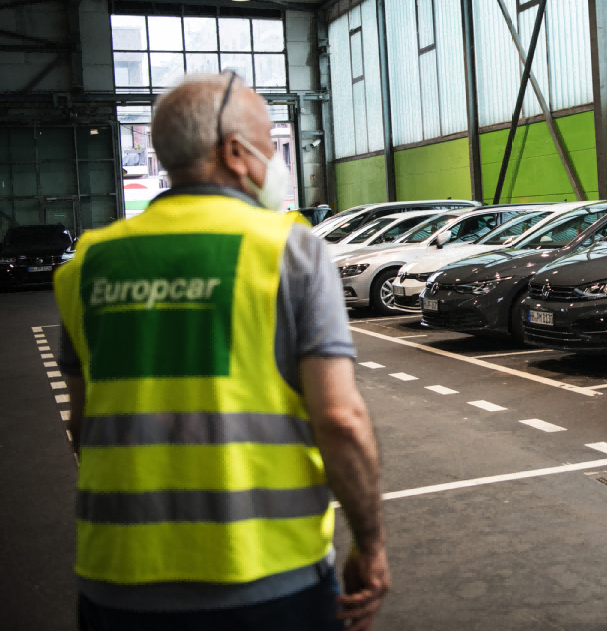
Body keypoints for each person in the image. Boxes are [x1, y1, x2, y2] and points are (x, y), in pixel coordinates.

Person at [54, 72, 390, 630]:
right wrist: (371, 544)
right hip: (265, 574)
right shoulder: (288, 252)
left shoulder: (88, 263)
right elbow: (339, 419)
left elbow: (83, 423)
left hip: (116, 577)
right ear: (235, 152)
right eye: (269, 142)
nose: (275, 159)